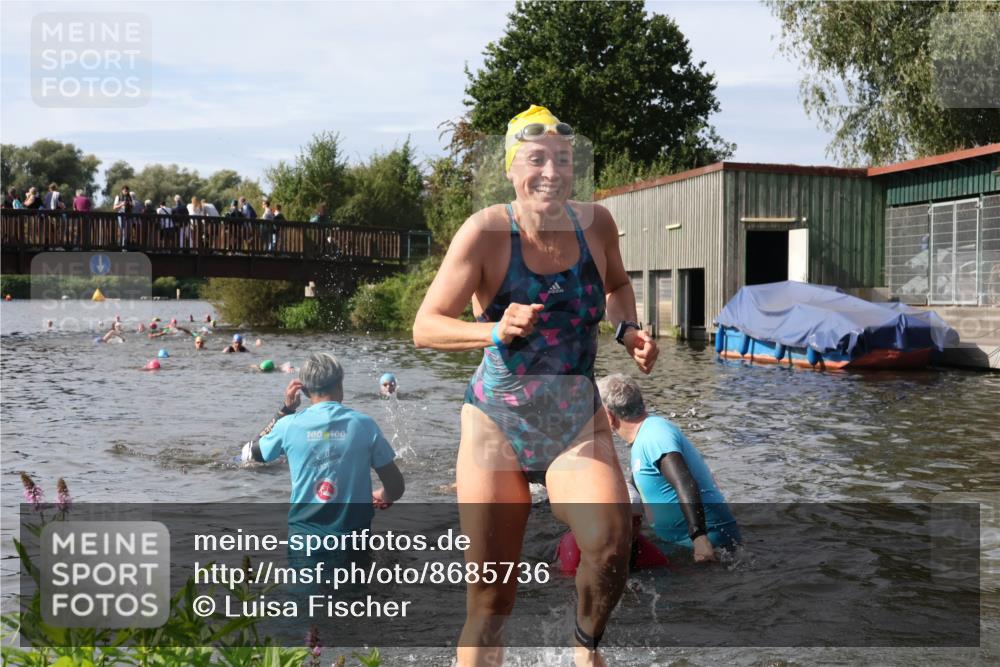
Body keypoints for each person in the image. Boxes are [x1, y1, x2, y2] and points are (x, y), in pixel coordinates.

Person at [412, 104, 658, 667]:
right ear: (511, 169)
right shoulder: (484, 233)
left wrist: (628, 329)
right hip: (495, 424)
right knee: (491, 602)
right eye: (536, 159)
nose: (551, 171)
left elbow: (617, 283)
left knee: (612, 542)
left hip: (573, 419)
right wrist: (492, 329)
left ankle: (584, 649)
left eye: (563, 161)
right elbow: (426, 326)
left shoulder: (596, 224)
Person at [239, 353, 405, 549]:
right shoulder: (364, 425)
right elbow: (396, 488)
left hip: (304, 542)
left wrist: (285, 411)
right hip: (354, 542)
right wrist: (380, 495)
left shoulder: (288, 426)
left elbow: (249, 455)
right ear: (340, 383)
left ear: (305, 391)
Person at [597, 374, 740, 561]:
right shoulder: (644, 438)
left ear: (608, 416)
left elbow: (684, 481)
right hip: (677, 545)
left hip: (706, 545)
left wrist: (699, 537)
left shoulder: (654, 435)